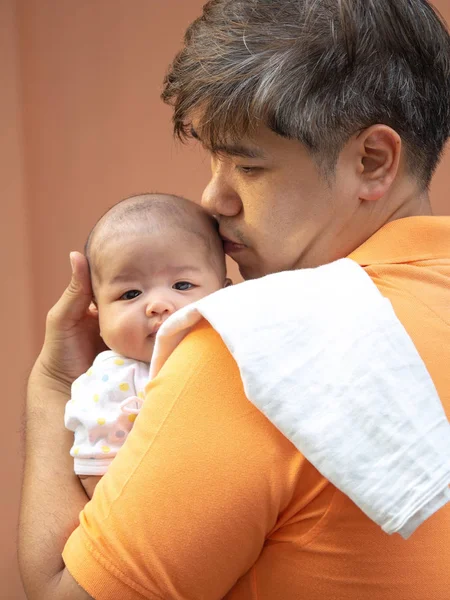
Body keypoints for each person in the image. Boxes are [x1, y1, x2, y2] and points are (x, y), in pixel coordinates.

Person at [19, 1, 450, 599]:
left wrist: (52, 388)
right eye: (211, 158)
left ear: (371, 161)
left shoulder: (258, 352)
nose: (214, 198)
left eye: (247, 165)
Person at [64, 193, 230, 498]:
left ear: (225, 293)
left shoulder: (239, 350)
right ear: (96, 311)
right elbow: (96, 474)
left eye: (182, 285)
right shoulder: (114, 381)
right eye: (130, 294)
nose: (157, 305)